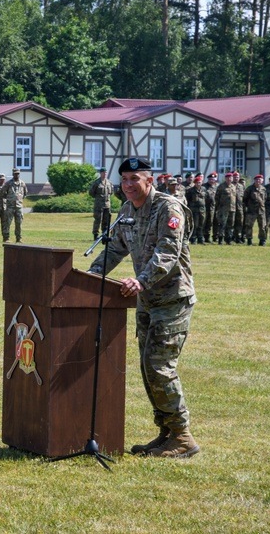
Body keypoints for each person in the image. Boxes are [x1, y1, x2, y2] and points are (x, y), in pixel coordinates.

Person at [87, 157, 200, 459]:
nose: (127, 185)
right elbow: (115, 248)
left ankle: (182, 436)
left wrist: (141, 280)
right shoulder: (126, 211)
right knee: (148, 368)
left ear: (150, 180)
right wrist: (90, 276)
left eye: (134, 179)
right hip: (147, 301)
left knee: (160, 366)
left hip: (172, 300)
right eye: (124, 179)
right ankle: (166, 434)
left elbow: (168, 251)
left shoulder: (168, 207)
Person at [2, 168, 27, 243]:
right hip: (10, 206)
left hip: (19, 206)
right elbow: (2, 193)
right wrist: (9, 199)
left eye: (18, 173)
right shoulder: (8, 184)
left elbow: (25, 194)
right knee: (7, 223)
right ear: (13, 174)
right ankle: (6, 238)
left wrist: (19, 199)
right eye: (15, 173)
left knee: (19, 223)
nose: (17, 175)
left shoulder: (22, 183)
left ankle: (18, 238)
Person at [88, 168, 114, 240]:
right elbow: (91, 192)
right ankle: (95, 235)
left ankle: (104, 234)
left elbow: (111, 192)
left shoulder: (109, 182)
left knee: (106, 220)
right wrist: (98, 198)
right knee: (98, 220)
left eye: (106, 172)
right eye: (103, 172)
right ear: (100, 173)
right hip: (98, 205)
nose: (105, 174)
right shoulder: (96, 183)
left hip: (107, 205)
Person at [242, 174, 267, 245]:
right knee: (249, 226)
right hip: (251, 211)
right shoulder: (249, 189)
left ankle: (262, 240)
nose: (258, 181)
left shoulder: (263, 189)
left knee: (262, 226)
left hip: (261, 211)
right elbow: (244, 199)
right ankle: (249, 240)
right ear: (254, 180)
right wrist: (248, 207)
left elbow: (265, 198)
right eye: (257, 180)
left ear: (262, 181)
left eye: (260, 180)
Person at [184, 175, 206, 244]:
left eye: (199, 182)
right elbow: (188, 200)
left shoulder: (204, 189)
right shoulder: (190, 190)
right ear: (194, 183)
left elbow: (206, 199)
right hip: (194, 210)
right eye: (197, 182)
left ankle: (200, 238)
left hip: (202, 210)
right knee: (194, 225)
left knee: (201, 225)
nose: (198, 184)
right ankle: (193, 238)